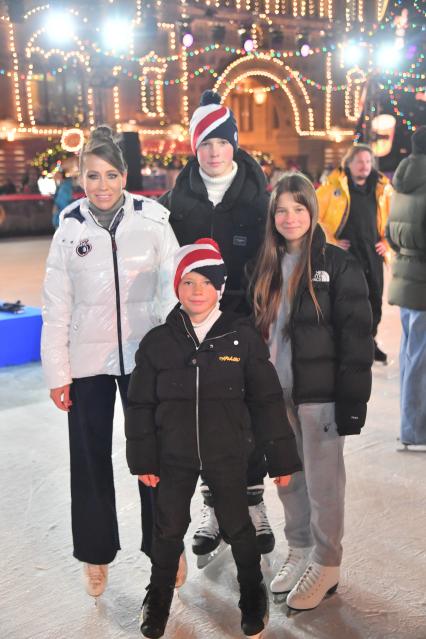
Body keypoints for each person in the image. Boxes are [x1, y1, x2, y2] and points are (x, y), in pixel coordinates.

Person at [125, 238, 302, 638]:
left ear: (220, 288)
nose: (197, 291)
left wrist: (282, 460)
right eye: (188, 282)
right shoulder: (158, 343)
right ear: (176, 288)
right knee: (167, 527)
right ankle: (158, 597)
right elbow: (139, 405)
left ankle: (252, 590)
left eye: (206, 282)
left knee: (239, 525)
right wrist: (144, 459)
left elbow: (266, 401)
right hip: (174, 455)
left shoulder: (240, 338)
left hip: (227, 452)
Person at [41, 125, 179, 599]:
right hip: (87, 364)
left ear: (124, 176)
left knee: (153, 457)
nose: (101, 186)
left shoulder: (154, 220)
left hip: (146, 361)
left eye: (110, 175)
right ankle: (95, 554)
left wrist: (173, 358)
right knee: (89, 460)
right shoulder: (70, 228)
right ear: (81, 179)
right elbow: (56, 305)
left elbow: (172, 292)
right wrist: (59, 373)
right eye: (92, 177)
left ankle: (165, 547)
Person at [158, 90, 274, 562]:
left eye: (221, 141)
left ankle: (251, 501)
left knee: (248, 414)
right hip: (197, 322)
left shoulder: (259, 198)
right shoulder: (175, 201)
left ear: (235, 144)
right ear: (194, 147)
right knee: (204, 414)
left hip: (248, 320)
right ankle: (212, 507)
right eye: (204, 142)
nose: (214, 151)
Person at [250, 172, 374, 611]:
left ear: (312, 211)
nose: (289, 217)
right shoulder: (263, 264)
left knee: (323, 485)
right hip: (276, 392)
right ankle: (300, 548)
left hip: (319, 395)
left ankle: (327, 563)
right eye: (281, 210)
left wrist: (352, 401)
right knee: (288, 479)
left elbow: (357, 337)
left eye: (298, 208)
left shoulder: (337, 265)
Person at [316, 143, 392, 363]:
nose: (364, 166)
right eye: (359, 161)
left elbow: (393, 220)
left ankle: (369, 341)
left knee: (374, 300)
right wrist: (332, 242)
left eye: (368, 161)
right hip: (346, 257)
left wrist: (386, 243)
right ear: (348, 164)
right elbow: (314, 216)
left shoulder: (381, 189)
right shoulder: (333, 187)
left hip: (372, 254)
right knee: (347, 302)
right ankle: (346, 345)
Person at [385, 126, 426, 447]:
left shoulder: (402, 181)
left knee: (412, 355)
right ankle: (416, 429)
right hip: (421, 278)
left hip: (407, 276)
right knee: (420, 360)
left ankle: (412, 425)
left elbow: (390, 230)